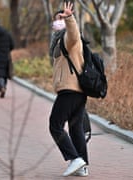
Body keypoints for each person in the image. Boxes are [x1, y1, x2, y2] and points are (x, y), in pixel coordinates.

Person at [48, 2, 89, 177]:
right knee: (76, 129)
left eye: (61, 19)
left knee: (55, 125)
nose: (58, 22)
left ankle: (75, 158)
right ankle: (83, 166)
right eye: (57, 19)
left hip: (70, 90)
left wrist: (69, 18)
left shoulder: (69, 38)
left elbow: (73, 34)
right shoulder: (59, 41)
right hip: (77, 91)